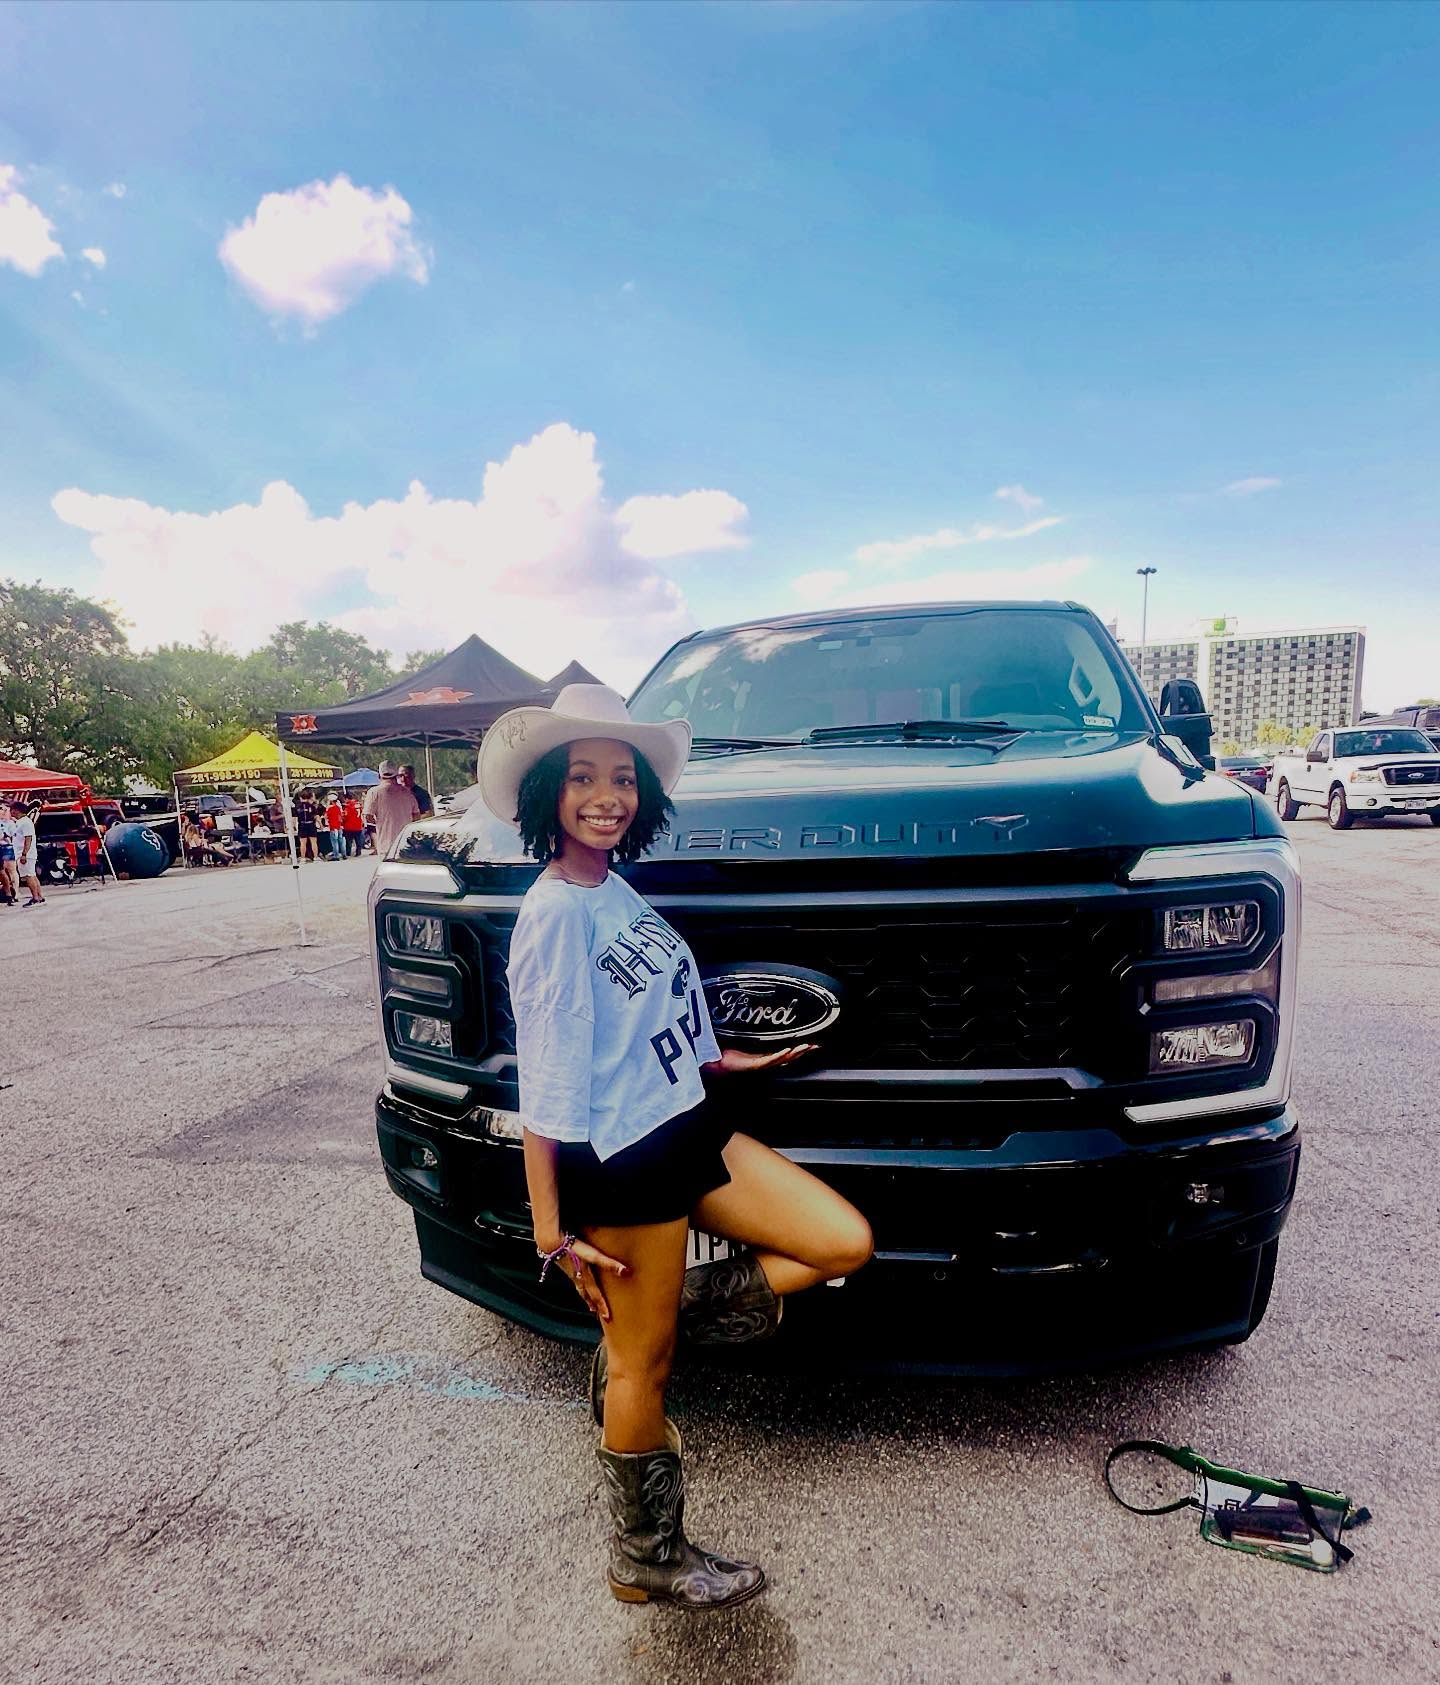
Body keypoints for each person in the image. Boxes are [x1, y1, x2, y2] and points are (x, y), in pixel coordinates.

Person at [476, 684, 872, 1611]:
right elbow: (551, 1083)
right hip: (625, 1163)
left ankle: (637, 1326)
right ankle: (645, 1553)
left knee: (840, 1241)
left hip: (688, 1120)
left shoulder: (611, 888)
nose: (605, 795)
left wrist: (722, 1056)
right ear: (547, 794)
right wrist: (549, 1229)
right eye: (582, 777)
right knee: (645, 1369)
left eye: (622, 777)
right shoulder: (555, 915)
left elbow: (648, 1010)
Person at [362, 761, 420, 859]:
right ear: (396, 775)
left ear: (379, 775)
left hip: (386, 846)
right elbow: (417, 816)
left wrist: (382, 823)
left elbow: (368, 817)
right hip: (406, 844)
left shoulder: (373, 793)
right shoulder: (407, 792)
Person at [12, 802, 45, 905]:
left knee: (28, 876)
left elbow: (28, 838)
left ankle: (35, 898)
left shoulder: (25, 822)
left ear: (16, 810)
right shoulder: (20, 822)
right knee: (32, 875)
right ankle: (39, 896)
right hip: (23, 853)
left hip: (26, 854)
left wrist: (24, 854)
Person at [0, 800, 19, 904]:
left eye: (4, 809)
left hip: (7, 847)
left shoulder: (11, 823)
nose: (2, 811)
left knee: (11, 870)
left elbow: (12, 835)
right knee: (2, 871)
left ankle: (15, 892)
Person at [294, 791, 319, 861]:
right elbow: (316, 817)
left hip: (302, 825)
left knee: (302, 843)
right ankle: (316, 857)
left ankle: (303, 858)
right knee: (314, 842)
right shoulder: (312, 806)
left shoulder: (297, 807)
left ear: (300, 798)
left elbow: (294, 819)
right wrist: (320, 825)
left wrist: (294, 827)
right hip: (311, 825)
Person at [323, 792, 345, 860]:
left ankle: (336, 855)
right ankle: (344, 854)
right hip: (339, 826)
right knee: (341, 841)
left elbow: (325, 816)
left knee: (335, 842)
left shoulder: (329, 809)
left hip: (333, 827)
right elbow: (340, 817)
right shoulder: (338, 808)